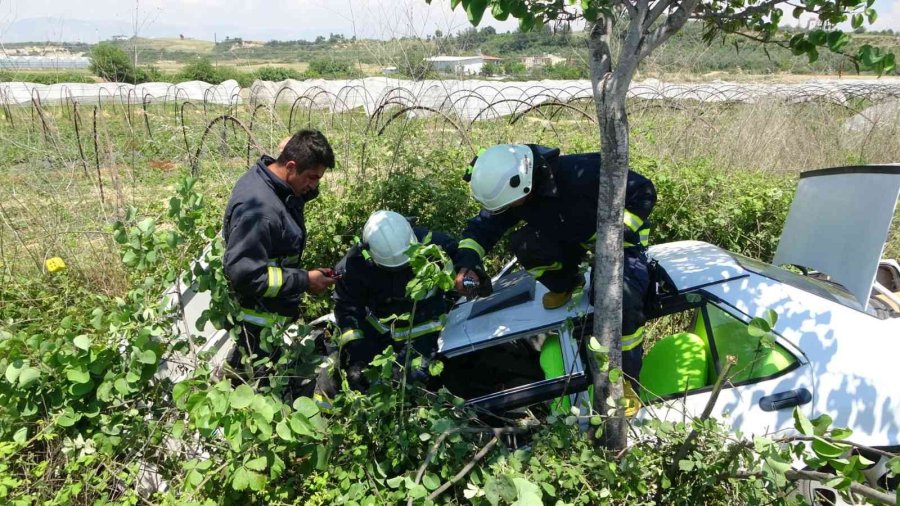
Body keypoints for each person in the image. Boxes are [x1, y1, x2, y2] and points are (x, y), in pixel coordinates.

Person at [453, 144, 656, 400]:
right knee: (524, 243)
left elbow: (644, 191)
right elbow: (482, 229)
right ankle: (565, 284)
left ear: (526, 184)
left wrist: (615, 234)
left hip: (621, 246)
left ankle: (625, 382)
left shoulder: (584, 172)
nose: (508, 210)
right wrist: (467, 264)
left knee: (622, 302)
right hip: (572, 237)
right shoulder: (513, 190)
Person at [222, 129, 337, 377]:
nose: (314, 186)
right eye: (311, 178)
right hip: (257, 323)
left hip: (272, 314)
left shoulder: (273, 179)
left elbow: (295, 192)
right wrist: (304, 280)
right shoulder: (260, 213)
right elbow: (245, 277)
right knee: (257, 383)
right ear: (291, 166)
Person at [332, 210, 462, 389]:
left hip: (435, 337)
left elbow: (462, 261)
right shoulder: (354, 266)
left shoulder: (434, 245)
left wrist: (471, 272)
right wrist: (357, 355)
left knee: (421, 384)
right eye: (392, 269)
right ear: (369, 254)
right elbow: (347, 309)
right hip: (383, 341)